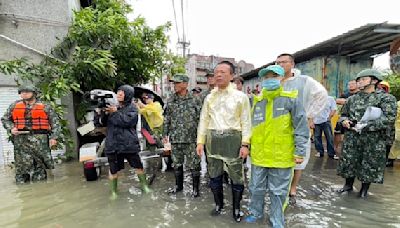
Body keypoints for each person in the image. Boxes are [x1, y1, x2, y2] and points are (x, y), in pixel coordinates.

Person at [244, 65, 309, 227]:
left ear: (282, 78)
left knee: (278, 192)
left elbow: (301, 127)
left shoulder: (291, 99)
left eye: (274, 76)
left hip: (282, 156)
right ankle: (255, 212)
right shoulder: (257, 101)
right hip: (259, 157)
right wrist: (247, 146)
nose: (270, 79)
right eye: (266, 77)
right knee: (255, 188)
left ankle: (276, 220)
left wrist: (300, 151)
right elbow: (250, 127)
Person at [196, 61, 251, 222]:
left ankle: (236, 208)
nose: (218, 75)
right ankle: (219, 204)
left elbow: (246, 122)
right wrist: (200, 141)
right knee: (214, 173)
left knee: (236, 175)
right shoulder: (209, 98)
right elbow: (204, 120)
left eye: (222, 72)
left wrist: (245, 144)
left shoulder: (241, 97)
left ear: (231, 75)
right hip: (212, 138)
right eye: (216, 72)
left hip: (233, 137)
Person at [337, 69, 396, 198]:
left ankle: (363, 191)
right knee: (349, 161)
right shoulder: (352, 99)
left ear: (374, 81)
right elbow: (343, 115)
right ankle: (347, 186)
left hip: (373, 138)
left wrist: (366, 126)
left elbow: (389, 118)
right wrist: (345, 121)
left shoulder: (385, 98)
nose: (359, 82)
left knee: (369, 163)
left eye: (363, 79)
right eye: (358, 80)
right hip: (352, 137)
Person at [276, 53, 328, 201]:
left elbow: (322, 95)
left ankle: (293, 187)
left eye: (283, 62)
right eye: (277, 62)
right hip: (278, 127)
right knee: (280, 156)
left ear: (292, 64)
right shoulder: (274, 81)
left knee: (298, 158)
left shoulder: (304, 81)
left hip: (298, 125)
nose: (280, 65)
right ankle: (280, 186)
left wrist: (309, 115)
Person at [96, 85, 152, 200]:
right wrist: (103, 113)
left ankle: (144, 186)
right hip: (113, 144)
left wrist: (115, 112)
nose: (119, 94)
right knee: (113, 169)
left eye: (122, 93)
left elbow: (127, 122)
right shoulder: (112, 107)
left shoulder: (133, 108)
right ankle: (114, 192)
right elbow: (101, 123)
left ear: (128, 95)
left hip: (128, 143)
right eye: (118, 92)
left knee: (138, 166)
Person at [2, 85, 61, 184]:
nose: (24, 93)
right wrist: (11, 128)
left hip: (40, 142)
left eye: (27, 91)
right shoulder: (14, 106)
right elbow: (5, 119)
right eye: (21, 92)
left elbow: (55, 123)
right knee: (21, 170)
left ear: (34, 92)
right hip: (20, 142)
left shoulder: (45, 106)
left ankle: (39, 193)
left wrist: (54, 138)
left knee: (40, 170)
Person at [163, 74, 202, 197]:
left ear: (185, 84)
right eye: (174, 83)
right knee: (176, 163)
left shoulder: (195, 99)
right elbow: (167, 118)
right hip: (176, 138)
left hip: (191, 139)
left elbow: (201, 119)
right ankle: (178, 186)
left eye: (177, 83)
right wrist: (165, 133)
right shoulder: (171, 100)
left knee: (194, 164)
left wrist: (201, 138)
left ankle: (196, 189)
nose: (175, 86)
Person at [334, 80, 359, 156]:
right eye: (349, 84)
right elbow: (337, 101)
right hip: (343, 116)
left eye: (352, 84)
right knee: (337, 132)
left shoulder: (359, 94)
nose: (350, 85)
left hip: (354, 117)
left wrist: (345, 101)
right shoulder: (345, 94)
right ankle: (335, 149)